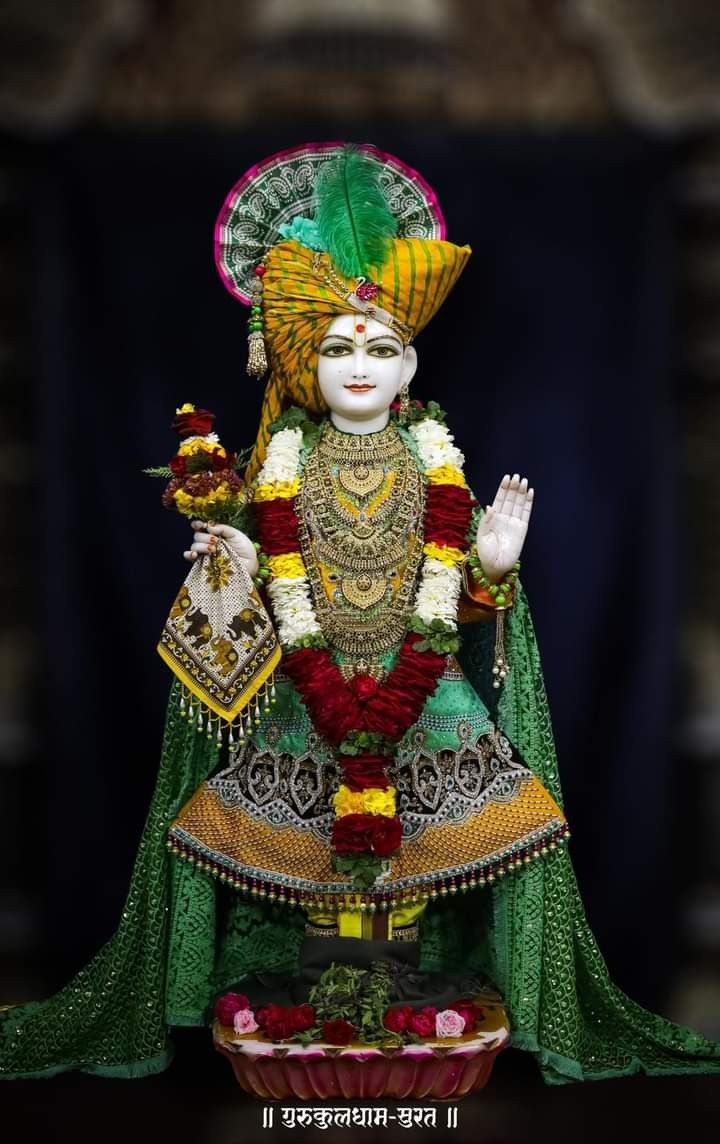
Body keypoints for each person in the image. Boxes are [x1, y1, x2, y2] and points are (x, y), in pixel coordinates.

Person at [1, 142, 718, 1083]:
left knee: (424, 860)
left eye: (381, 348)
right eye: (337, 348)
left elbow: (454, 603)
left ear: (411, 358)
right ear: (301, 363)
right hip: (309, 695)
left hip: (424, 702)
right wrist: (242, 564)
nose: (360, 368)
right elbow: (263, 602)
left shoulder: (434, 458)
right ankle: (337, 1004)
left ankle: (394, 1005)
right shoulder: (276, 468)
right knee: (322, 869)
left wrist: (496, 573)